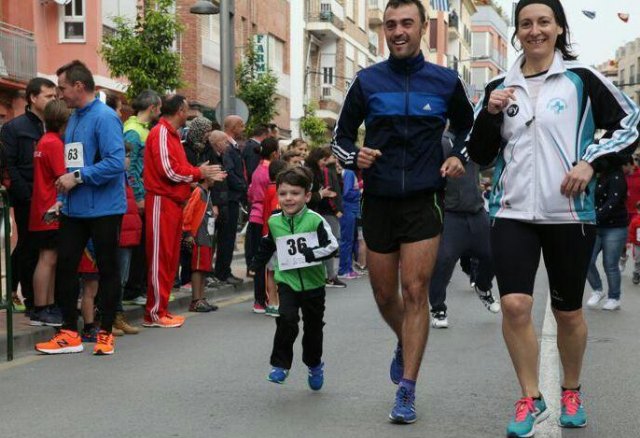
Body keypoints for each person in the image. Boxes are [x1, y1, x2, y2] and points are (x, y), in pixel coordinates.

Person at [467, 1, 639, 435]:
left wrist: (591, 162)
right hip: (512, 211)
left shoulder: (581, 79)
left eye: (544, 22)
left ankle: (571, 388)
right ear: (517, 32)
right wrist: (490, 114)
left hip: (570, 213)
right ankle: (530, 396)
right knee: (515, 304)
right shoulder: (499, 88)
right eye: (526, 23)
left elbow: (630, 122)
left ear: (559, 28)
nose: (535, 30)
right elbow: (480, 153)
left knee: (568, 313)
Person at [331, 0, 473, 423]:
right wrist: (355, 156)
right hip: (378, 198)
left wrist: (458, 156)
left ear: (422, 28)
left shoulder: (445, 81)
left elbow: (469, 126)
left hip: (424, 198)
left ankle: (407, 389)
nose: (397, 31)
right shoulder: (367, 81)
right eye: (390, 24)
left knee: (415, 292)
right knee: (383, 294)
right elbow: (340, 137)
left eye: (406, 23)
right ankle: (405, 339)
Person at [35, 60, 128, 356]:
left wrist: (76, 177)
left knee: (108, 269)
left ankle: (105, 333)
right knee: (65, 267)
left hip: (104, 209)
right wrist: (61, 199)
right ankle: (68, 333)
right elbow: (74, 162)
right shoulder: (73, 119)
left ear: (78, 86)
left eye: (62, 88)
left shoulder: (105, 118)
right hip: (74, 209)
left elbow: (115, 163)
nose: (59, 94)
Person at [249, 167, 338, 389]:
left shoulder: (315, 220)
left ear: (307, 196)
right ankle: (280, 365)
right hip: (286, 280)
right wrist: (256, 264)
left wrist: (312, 253)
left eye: (295, 193)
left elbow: (333, 246)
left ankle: (314, 364)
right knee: (286, 320)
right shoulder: (274, 221)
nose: (289, 198)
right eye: (283, 193)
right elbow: (268, 243)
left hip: (314, 284)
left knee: (313, 329)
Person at [142, 94, 223, 328]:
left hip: (173, 202)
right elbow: (169, 171)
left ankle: (160, 309)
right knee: (161, 257)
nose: (188, 114)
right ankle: (155, 313)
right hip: (161, 201)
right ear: (179, 110)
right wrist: (199, 173)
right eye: (187, 109)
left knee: (168, 258)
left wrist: (199, 172)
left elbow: (179, 168)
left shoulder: (172, 135)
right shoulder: (160, 133)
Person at [429, 133, 499, 329]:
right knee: (443, 261)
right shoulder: (442, 141)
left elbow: (489, 159)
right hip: (451, 214)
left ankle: (483, 287)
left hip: (477, 212)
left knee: (492, 254)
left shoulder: (474, 142)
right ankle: (438, 308)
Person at [1, 77, 57, 314]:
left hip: (52, 199)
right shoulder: (15, 128)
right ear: (33, 98)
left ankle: (42, 300)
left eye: (55, 96)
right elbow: (9, 166)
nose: (53, 100)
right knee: (29, 248)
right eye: (48, 96)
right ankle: (32, 301)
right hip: (28, 198)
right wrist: (25, 195)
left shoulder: (55, 125)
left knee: (46, 251)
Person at [28, 99, 69, 327]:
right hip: (50, 208)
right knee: (47, 259)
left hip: (42, 207)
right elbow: (62, 176)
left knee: (49, 259)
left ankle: (46, 305)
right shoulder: (54, 143)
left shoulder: (44, 141)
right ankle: (41, 308)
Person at [122, 89, 162, 306]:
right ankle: (132, 289)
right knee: (137, 245)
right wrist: (138, 196)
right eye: (159, 107)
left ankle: (136, 287)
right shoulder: (133, 131)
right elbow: (130, 169)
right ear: (152, 107)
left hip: (145, 194)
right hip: (138, 197)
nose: (161, 111)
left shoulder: (142, 129)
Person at [585, 166, 628, 311]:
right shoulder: (597, 175)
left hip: (615, 227)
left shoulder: (617, 176)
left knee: (610, 264)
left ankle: (614, 298)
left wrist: (594, 216)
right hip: (596, 225)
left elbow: (613, 201)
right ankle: (597, 289)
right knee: (587, 260)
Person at [247, 137, 280, 313]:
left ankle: (259, 300)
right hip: (265, 219)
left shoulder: (258, 168)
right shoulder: (272, 171)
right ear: (275, 153)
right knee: (267, 262)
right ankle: (267, 299)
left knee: (258, 260)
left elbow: (250, 193)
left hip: (255, 216)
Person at [183, 173, 224, 312]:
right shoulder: (198, 192)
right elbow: (188, 212)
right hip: (199, 235)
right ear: (206, 177)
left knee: (204, 269)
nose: (215, 179)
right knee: (198, 268)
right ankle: (195, 300)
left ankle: (201, 298)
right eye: (213, 175)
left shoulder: (207, 192)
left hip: (207, 235)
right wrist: (188, 232)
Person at [306, 147, 345, 288]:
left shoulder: (322, 171)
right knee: (329, 243)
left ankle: (326, 276)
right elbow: (317, 194)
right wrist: (336, 209)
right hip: (323, 212)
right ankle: (329, 276)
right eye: (324, 159)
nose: (327, 161)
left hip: (319, 212)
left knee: (327, 243)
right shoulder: (312, 173)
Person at [214, 115, 246, 285]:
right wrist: (243, 186)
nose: (244, 128)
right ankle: (222, 272)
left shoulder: (233, 146)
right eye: (241, 125)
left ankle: (224, 270)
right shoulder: (227, 147)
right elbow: (230, 172)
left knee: (229, 237)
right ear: (233, 127)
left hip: (232, 198)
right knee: (226, 238)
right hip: (229, 198)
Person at [262, 159, 289, 317]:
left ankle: (275, 302)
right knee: (274, 271)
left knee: (274, 270)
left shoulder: (270, 189)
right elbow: (275, 214)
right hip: (275, 236)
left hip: (272, 235)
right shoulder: (275, 191)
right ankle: (273, 302)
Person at [337, 162, 361, 280]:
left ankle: (348, 267)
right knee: (347, 239)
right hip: (348, 208)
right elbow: (347, 192)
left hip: (350, 208)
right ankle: (344, 269)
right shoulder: (350, 173)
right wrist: (359, 192)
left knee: (350, 239)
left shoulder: (349, 172)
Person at [627, 201, 640, 285]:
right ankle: (636, 273)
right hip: (637, 245)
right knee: (638, 259)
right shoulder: (635, 221)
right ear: (638, 210)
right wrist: (628, 242)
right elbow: (630, 232)